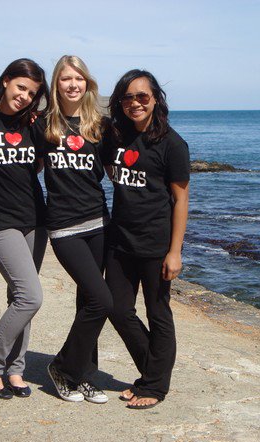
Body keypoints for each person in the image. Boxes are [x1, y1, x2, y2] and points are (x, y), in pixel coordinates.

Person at [104, 69, 190, 409]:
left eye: (142, 96)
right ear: (120, 102)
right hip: (120, 241)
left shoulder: (172, 143)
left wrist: (175, 251)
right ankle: (151, 375)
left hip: (156, 244)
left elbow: (181, 199)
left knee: (158, 313)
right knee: (118, 309)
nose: (135, 103)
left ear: (155, 99)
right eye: (128, 97)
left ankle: (154, 385)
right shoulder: (116, 137)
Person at [33, 55, 112, 404]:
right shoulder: (43, 125)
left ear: (87, 83)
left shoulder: (100, 125)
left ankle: (84, 376)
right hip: (64, 227)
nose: (73, 84)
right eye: (66, 78)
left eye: (79, 78)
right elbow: (23, 167)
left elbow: (119, 169)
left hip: (99, 222)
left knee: (87, 303)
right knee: (101, 299)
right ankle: (63, 367)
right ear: (56, 84)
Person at [0, 58, 48, 399]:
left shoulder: (31, 124)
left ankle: (15, 369)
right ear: (6, 81)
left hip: (35, 219)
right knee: (30, 296)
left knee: (19, 296)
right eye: (21, 87)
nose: (25, 96)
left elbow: (37, 165)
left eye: (32, 93)